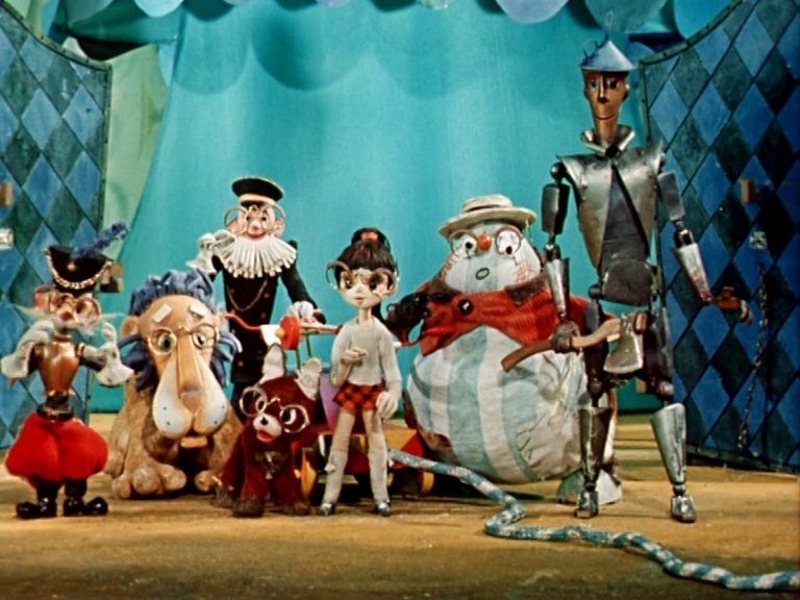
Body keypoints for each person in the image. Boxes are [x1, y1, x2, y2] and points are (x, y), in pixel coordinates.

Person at [535, 34, 716, 522]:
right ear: (584, 87)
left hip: (646, 302)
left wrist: (704, 292)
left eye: (611, 83)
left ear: (625, 89)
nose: (602, 94)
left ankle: (679, 489)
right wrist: (562, 316)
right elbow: (550, 247)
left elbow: (681, 229)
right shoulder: (572, 171)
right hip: (603, 306)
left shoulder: (651, 160)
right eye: (594, 83)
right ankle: (589, 486)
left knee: (664, 390)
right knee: (595, 392)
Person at [1, 224, 131, 519]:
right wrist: (25, 349)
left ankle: (74, 500)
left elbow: (108, 371)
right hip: (46, 416)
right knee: (44, 459)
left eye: (79, 307)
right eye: (62, 303)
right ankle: (46, 502)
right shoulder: (41, 347)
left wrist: (111, 353)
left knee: (80, 455)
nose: (68, 313)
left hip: (68, 418)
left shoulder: (78, 350)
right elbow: (18, 367)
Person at [188, 176, 323, 420]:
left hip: (262, 336)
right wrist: (193, 298)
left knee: (264, 379)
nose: (255, 225)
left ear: (275, 223)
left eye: (262, 218)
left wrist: (309, 310)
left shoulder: (280, 253)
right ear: (236, 221)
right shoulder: (226, 249)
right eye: (248, 218)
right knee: (232, 381)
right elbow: (202, 282)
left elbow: (295, 286)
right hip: (232, 334)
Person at [318, 228, 401, 517]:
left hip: (373, 393)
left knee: (377, 442)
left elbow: (393, 375)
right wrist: (345, 363)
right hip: (351, 392)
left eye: (372, 283)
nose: (359, 291)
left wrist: (392, 395)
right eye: (350, 281)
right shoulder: (346, 332)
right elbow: (336, 379)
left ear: (388, 285)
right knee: (339, 442)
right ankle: (330, 497)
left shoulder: (381, 333)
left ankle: (381, 497)